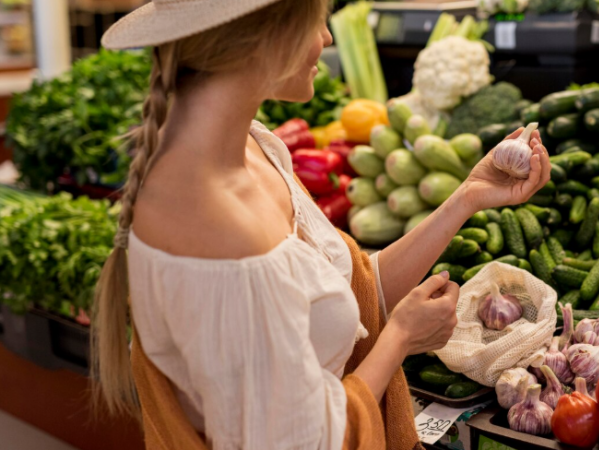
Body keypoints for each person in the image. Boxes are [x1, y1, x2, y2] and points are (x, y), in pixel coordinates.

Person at [92, 1, 550, 449]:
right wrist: (399, 340)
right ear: (267, 37)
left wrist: (469, 195)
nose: (328, 38)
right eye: (317, 20)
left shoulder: (256, 147)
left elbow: (345, 293)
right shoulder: (216, 228)